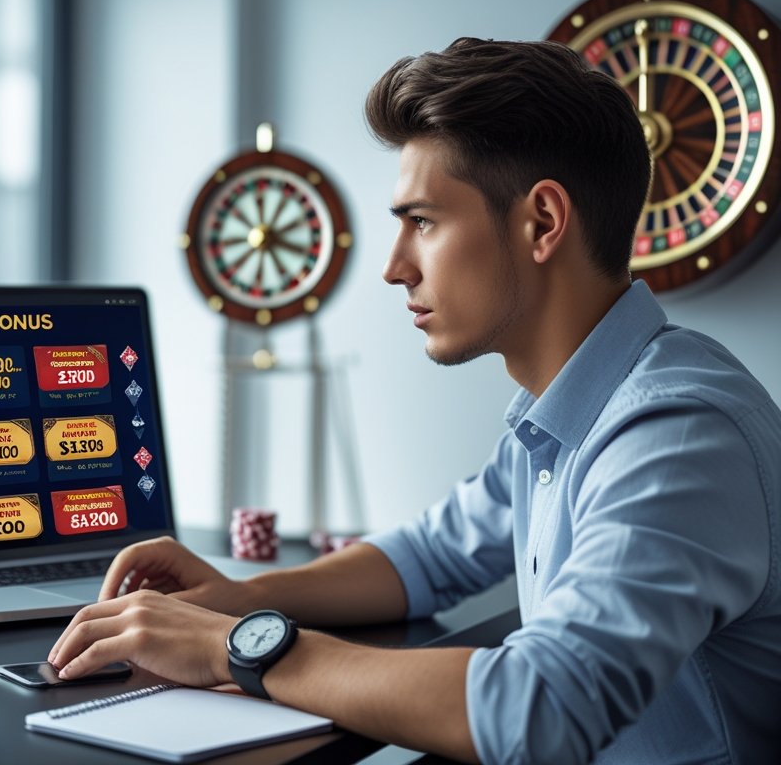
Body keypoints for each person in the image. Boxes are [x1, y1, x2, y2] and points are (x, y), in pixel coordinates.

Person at [48, 38, 781, 764]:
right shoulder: (567, 412)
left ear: (543, 223)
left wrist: (236, 649)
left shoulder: (676, 435)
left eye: (423, 222)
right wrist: (233, 598)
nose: (396, 267)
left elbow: (541, 707)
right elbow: (429, 556)